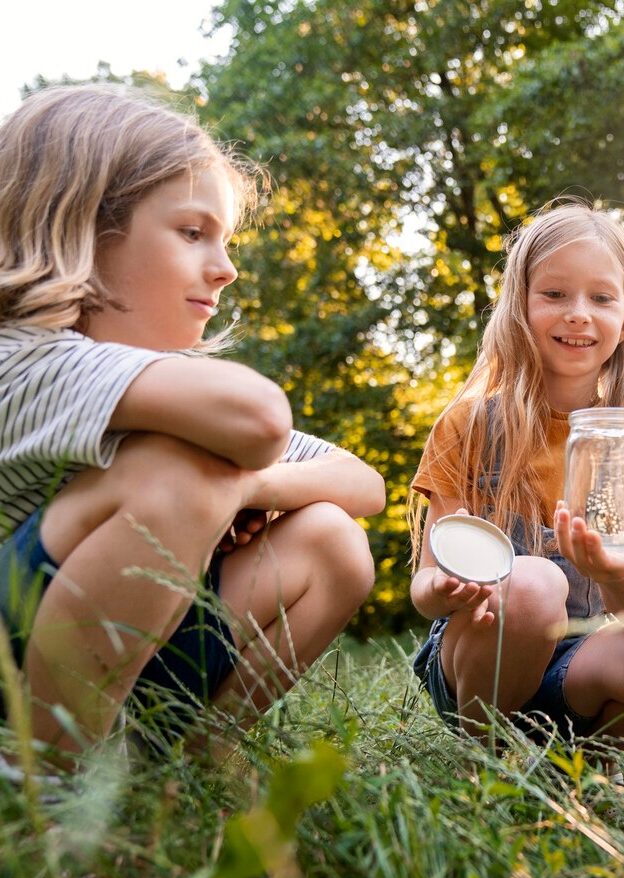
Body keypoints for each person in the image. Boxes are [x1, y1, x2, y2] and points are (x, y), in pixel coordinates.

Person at [0, 84, 385, 761]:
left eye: (226, 240)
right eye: (192, 233)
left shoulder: (169, 397)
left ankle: (179, 778)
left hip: (105, 671)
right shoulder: (20, 357)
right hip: (13, 675)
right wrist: (225, 481)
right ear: (86, 225)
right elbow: (261, 420)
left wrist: (244, 490)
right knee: (182, 472)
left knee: (333, 542)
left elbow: (362, 484)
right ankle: (43, 798)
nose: (228, 269)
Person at [408, 200, 624, 742]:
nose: (578, 313)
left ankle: (577, 762)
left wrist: (614, 569)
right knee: (533, 584)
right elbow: (426, 586)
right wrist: (447, 588)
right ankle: (482, 760)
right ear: (519, 307)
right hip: (475, 662)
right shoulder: (469, 426)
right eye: (554, 294)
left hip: (575, 669)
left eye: (601, 298)